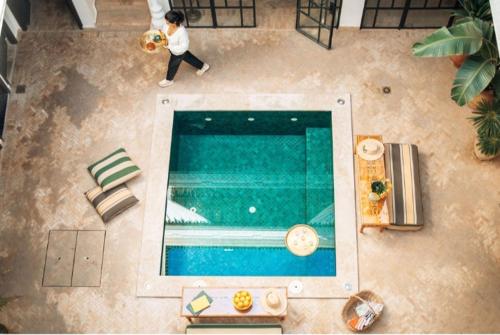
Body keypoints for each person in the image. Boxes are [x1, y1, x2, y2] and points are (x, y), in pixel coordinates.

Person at [158, 10, 210, 88]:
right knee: (187, 57)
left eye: (168, 22)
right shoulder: (166, 25)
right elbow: (163, 32)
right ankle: (203, 66)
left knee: (172, 65)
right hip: (172, 49)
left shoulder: (181, 32)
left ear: (175, 22)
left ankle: (169, 80)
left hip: (178, 52)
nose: (166, 23)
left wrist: (169, 46)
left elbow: (184, 47)